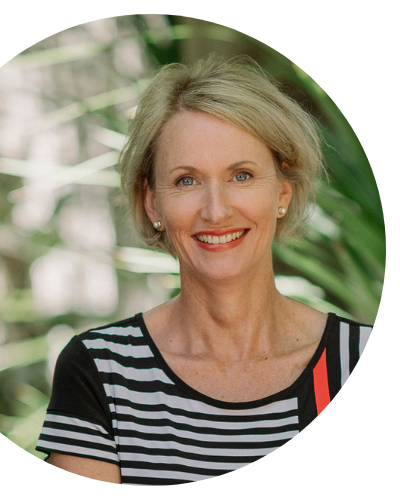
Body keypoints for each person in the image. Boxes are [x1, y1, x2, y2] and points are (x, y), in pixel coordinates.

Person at [35, 55, 372, 485]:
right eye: (187, 181)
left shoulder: (360, 361)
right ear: (152, 203)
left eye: (242, 175)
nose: (216, 211)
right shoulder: (102, 372)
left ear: (283, 193)